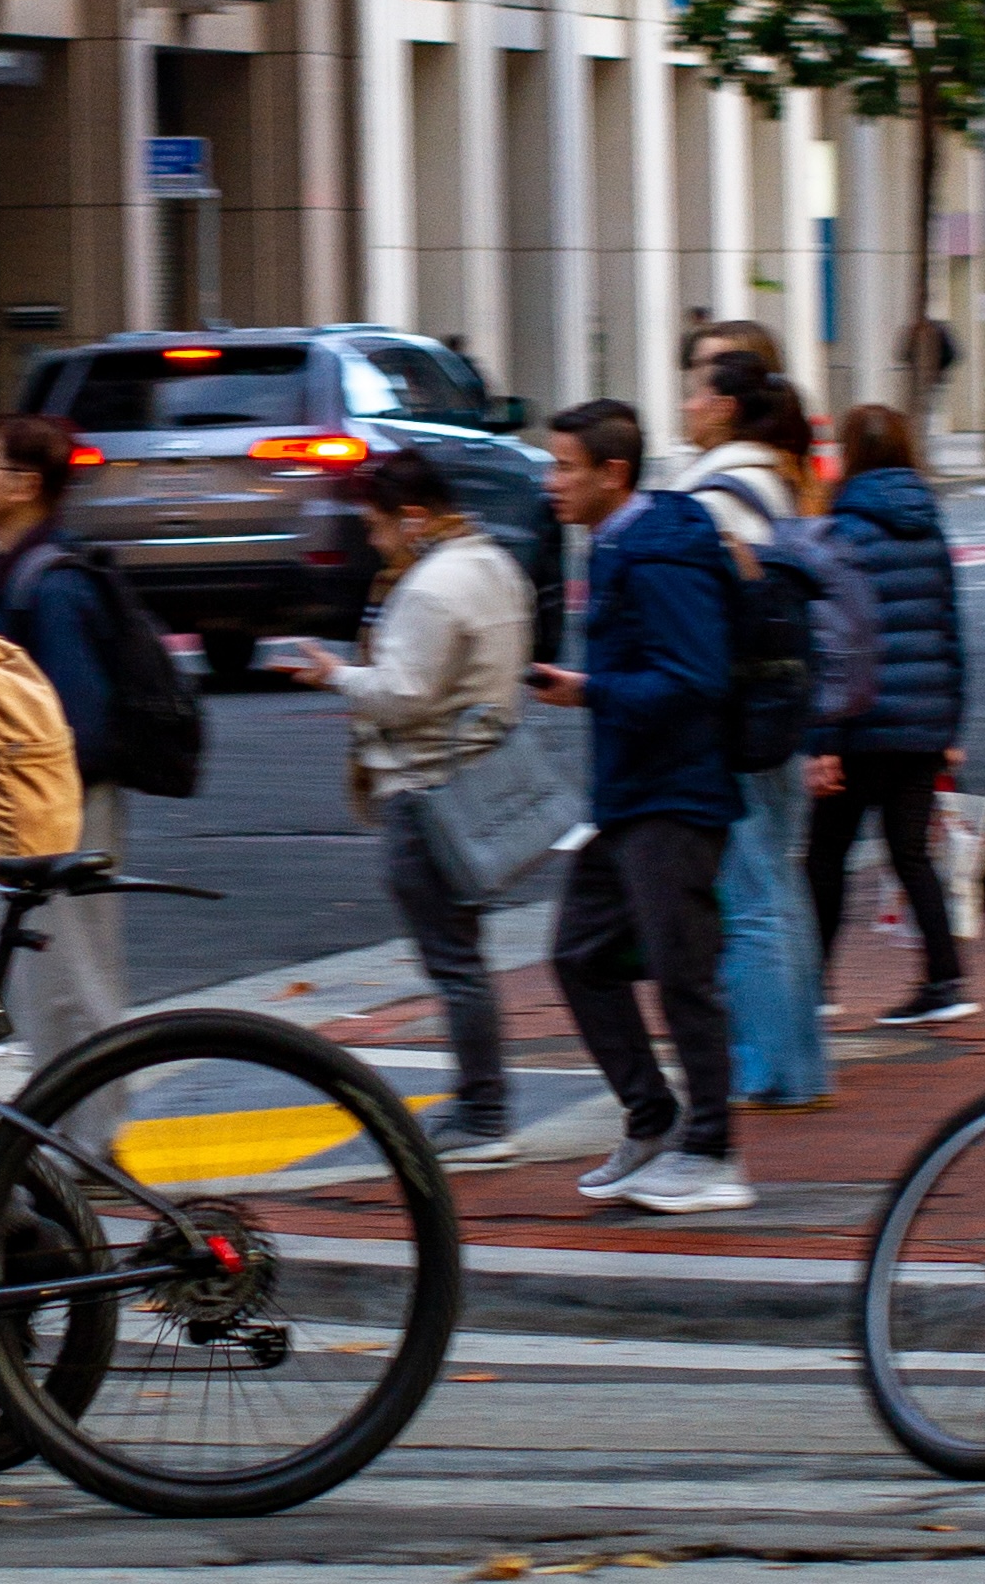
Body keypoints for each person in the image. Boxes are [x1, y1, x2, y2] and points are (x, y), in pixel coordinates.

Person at [529, 400, 753, 1214]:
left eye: (566, 468)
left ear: (613, 473)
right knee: (582, 953)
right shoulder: (621, 540)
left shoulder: (658, 553)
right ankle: (653, 1117)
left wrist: (591, 690)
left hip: (676, 797)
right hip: (628, 796)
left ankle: (714, 1152)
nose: (552, 482)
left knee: (686, 977)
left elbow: (697, 678)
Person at [290, 444, 537, 1167]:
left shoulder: (431, 587)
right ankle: (483, 1103)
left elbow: (402, 692)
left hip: (425, 787)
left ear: (414, 517)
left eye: (378, 525)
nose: (374, 539)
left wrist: (337, 675)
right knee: (466, 950)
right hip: (478, 778)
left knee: (453, 959)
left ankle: (484, 1111)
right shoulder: (494, 564)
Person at [668, 345, 832, 1110]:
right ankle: (800, 1062)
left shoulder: (716, 491)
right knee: (781, 886)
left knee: (751, 895)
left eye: (695, 392)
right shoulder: (780, 482)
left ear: (725, 405)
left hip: (731, 711)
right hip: (783, 704)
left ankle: (770, 1069)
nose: (686, 403)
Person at [0, 413, 126, 1074]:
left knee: (70, 979)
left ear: (23, 484)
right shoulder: (12, 573)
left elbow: (77, 718)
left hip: (61, 802)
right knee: (44, 979)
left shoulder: (52, 582)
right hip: (37, 801)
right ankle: (69, 1142)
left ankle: (94, 1150)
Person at [803, 406, 975, 1026]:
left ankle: (815, 984)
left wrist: (822, 738)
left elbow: (835, 640)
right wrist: (951, 724)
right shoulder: (928, 525)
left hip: (861, 720)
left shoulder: (843, 529)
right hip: (925, 718)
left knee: (826, 855)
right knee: (910, 853)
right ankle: (946, 979)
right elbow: (949, 627)